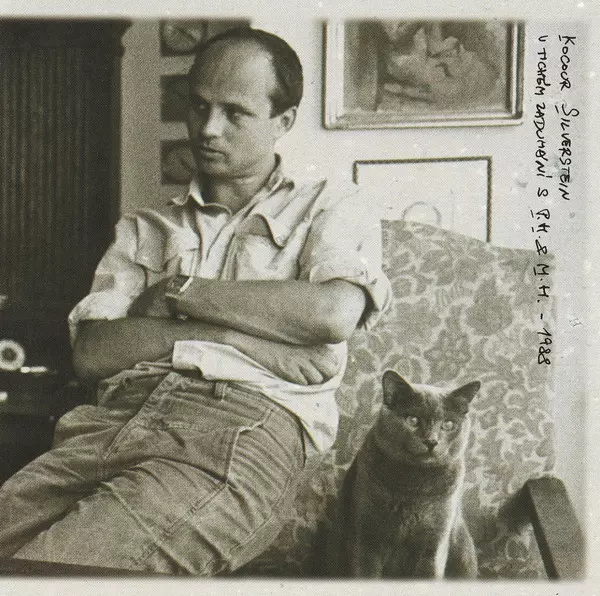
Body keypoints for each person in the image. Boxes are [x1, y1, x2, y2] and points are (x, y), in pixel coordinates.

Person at [0, 27, 391, 574]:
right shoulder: (144, 227)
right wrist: (227, 334)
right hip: (106, 424)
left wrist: (179, 293)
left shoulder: (332, 207)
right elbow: (92, 353)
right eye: (199, 106)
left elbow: (330, 315)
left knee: (53, 574)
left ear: (283, 122)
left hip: (238, 428)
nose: (207, 129)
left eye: (235, 113)